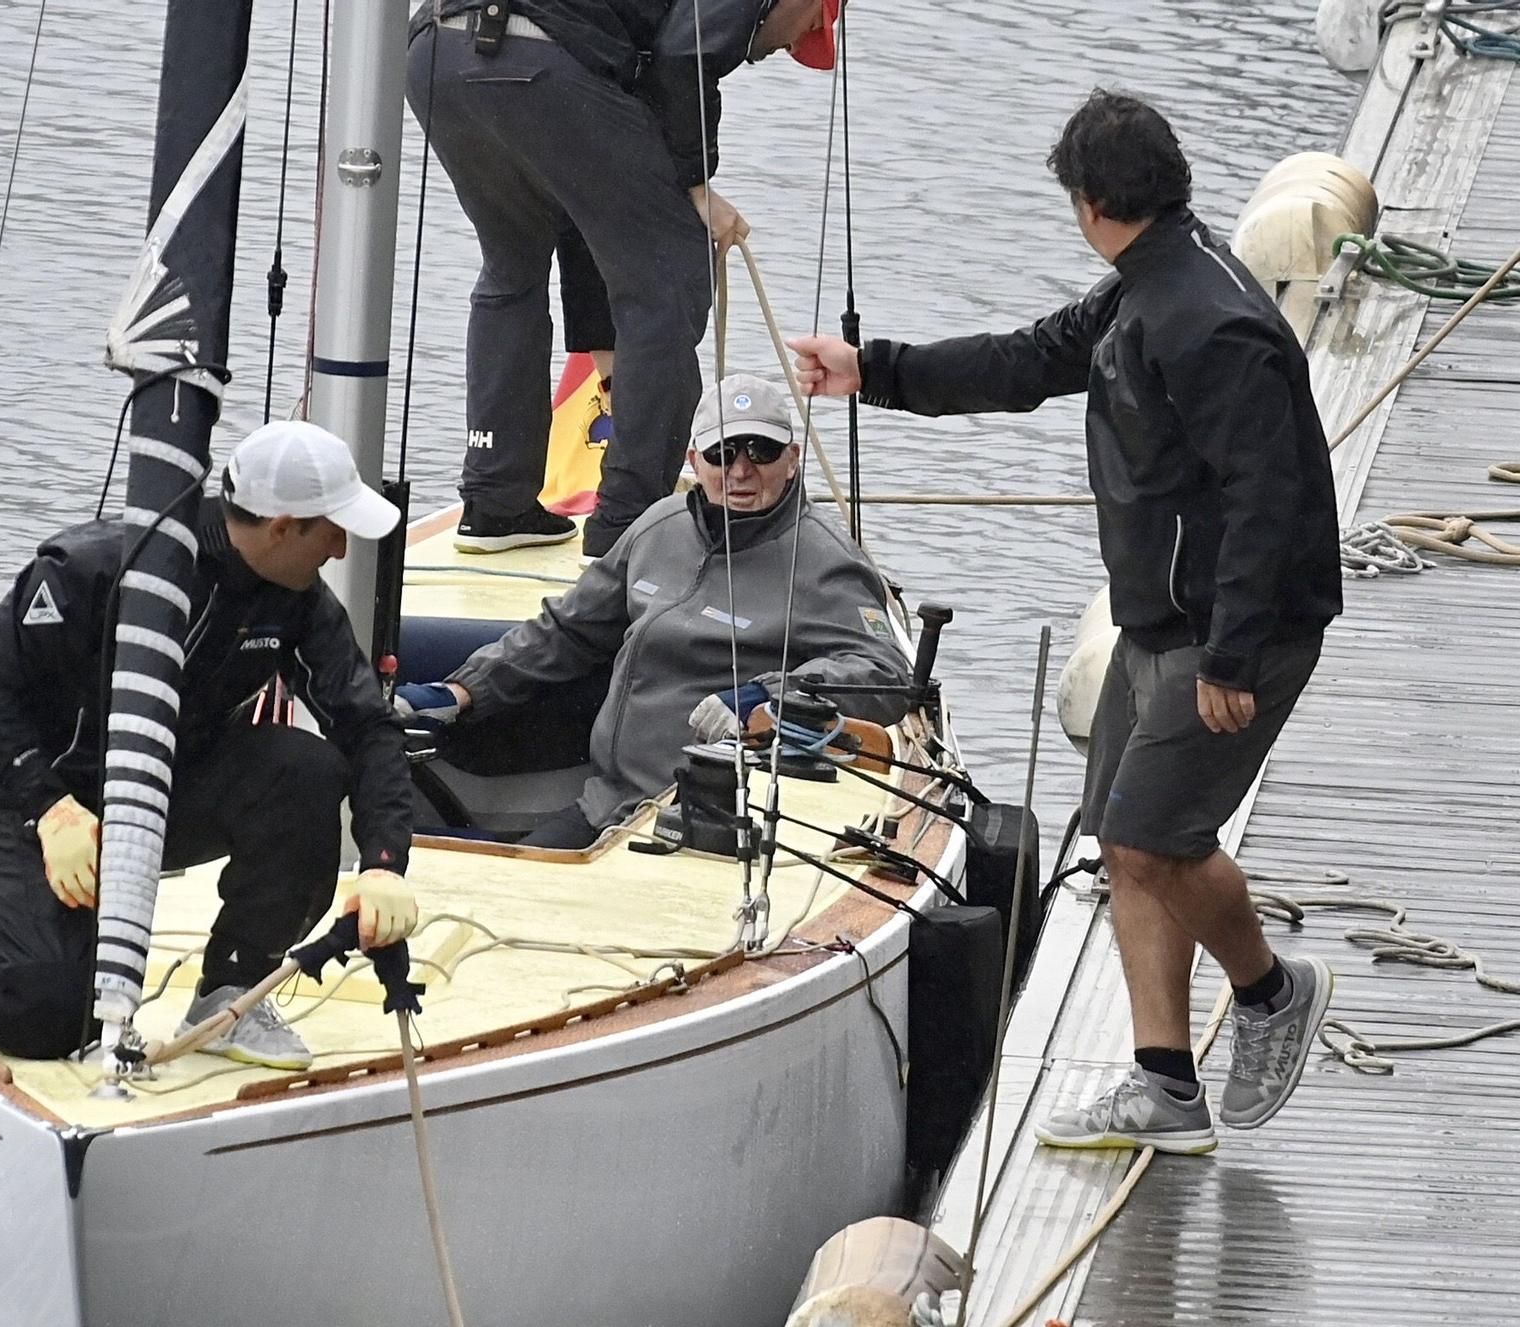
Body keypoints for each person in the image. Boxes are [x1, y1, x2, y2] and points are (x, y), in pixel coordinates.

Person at [790, 89, 1343, 1152]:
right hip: (1157, 623)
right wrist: (875, 372)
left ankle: (1271, 994)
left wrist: (1228, 655)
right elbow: (1024, 360)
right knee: (1128, 848)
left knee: (1152, 837)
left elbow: (1263, 497)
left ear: (1088, 202)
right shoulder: (1145, 285)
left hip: (1228, 636)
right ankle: (1164, 1083)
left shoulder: (1204, 319)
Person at [0, 421, 420, 1069]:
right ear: (282, 526)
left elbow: (370, 727)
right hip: (48, 801)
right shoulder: (92, 569)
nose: (340, 550)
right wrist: (50, 809)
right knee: (44, 1017)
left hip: (174, 784)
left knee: (308, 768)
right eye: (331, 529)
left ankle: (232, 986)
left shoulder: (296, 600)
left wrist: (384, 862)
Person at [396, 373, 912, 848]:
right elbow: (567, 630)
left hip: (708, 820)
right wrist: (460, 690)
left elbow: (885, 675)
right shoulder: (658, 525)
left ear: (793, 458)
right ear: (694, 461)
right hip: (605, 804)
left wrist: (765, 695)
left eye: (761, 450)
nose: (741, 470)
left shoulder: (824, 561)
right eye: (722, 453)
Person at [408, 0, 842, 559]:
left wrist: (611, 359)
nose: (784, 48)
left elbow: (597, 209)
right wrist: (696, 186)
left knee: (511, 268)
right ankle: (629, 527)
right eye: (807, 29)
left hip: (435, 52)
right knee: (671, 278)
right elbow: (687, 54)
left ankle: (495, 505)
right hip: (541, 57)